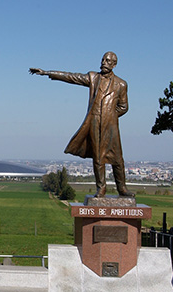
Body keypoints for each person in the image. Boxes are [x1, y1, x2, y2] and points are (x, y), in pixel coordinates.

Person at [29, 51, 133, 197]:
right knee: (98, 158)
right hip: (94, 123)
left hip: (111, 127)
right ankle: (101, 188)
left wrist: (110, 116)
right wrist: (47, 72)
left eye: (108, 61)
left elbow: (124, 107)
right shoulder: (93, 77)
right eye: (103, 59)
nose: (104, 62)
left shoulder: (121, 84)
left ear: (114, 64)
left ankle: (122, 188)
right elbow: (72, 77)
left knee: (117, 159)